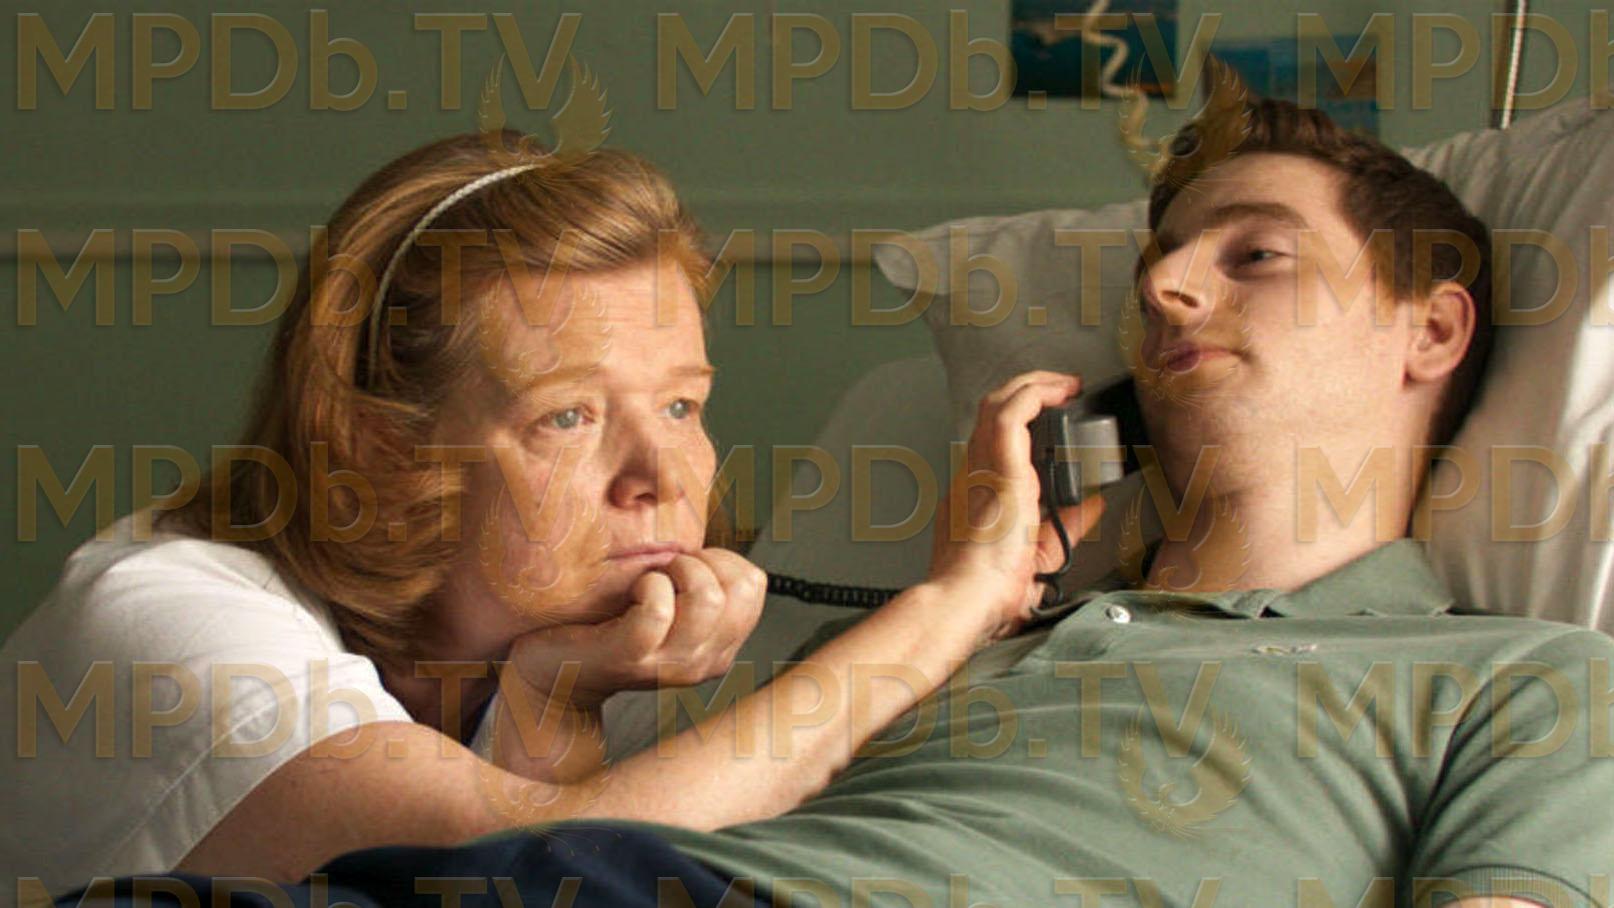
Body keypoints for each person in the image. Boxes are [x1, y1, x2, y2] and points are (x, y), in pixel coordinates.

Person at [0, 130, 1104, 904]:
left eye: (682, 405)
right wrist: (955, 602)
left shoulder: (581, 640)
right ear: (383, 445)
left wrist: (558, 692)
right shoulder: (162, 620)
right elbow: (524, 862)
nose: (661, 475)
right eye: (568, 416)